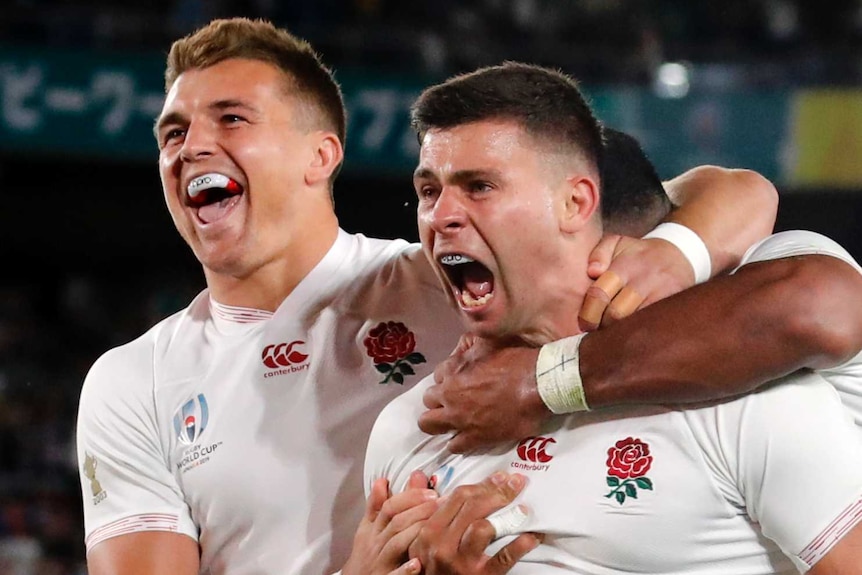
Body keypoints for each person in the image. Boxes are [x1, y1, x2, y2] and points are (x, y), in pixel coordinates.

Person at [73, 17, 798, 575]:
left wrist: (674, 252)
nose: (189, 145)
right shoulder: (134, 383)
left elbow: (732, 190)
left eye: (230, 119)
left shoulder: (451, 279)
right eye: (172, 130)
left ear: (320, 154)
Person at [364, 62, 862, 574]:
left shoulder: (749, 389)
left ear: (577, 205)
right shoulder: (408, 427)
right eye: (428, 191)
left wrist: (541, 382)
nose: (441, 215)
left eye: (480, 187)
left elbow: (814, 304)